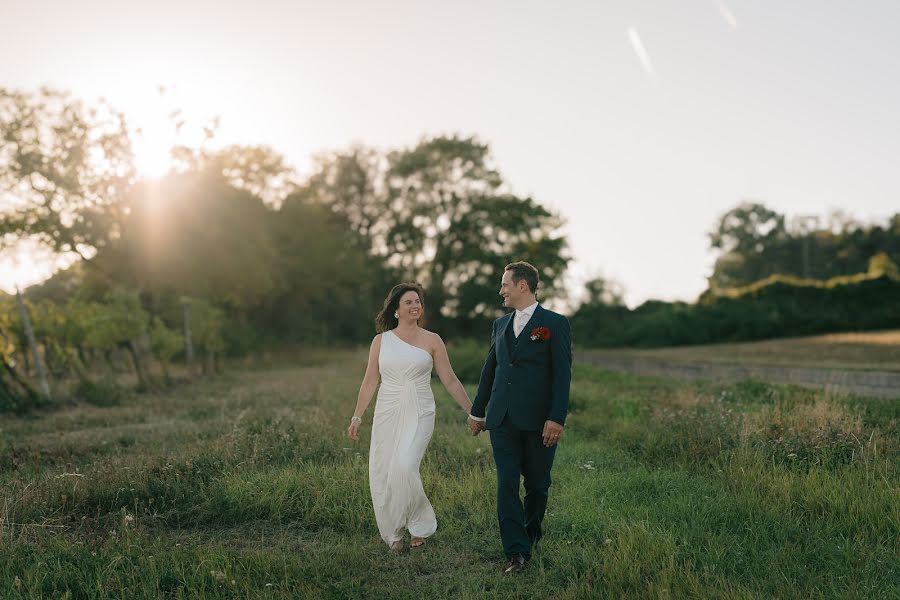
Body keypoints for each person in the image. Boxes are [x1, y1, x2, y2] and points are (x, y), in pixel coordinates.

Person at [348, 282, 473, 551]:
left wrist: (472, 412)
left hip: (420, 409)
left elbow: (449, 379)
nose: (415, 306)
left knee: (405, 466)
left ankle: (419, 523)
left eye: (418, 302)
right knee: (384, 472)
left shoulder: (432, 340)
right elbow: (370, 381)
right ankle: (394, 532)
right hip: (388, 410)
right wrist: (357, 417)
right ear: (396, 310)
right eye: (409, 302)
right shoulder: (381, 341)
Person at [467, 261, 572, 574]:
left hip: (540, 421)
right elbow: (490, 370)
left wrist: (556, 418)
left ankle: (532, 532)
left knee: (538, 486)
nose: (501, 291)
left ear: (522, 285)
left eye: (505, 285)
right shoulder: (499, 325)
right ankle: (516, 552)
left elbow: (562, 376)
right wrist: (477, 410)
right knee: (506, 484)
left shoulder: (554, 323)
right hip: (502, 420)